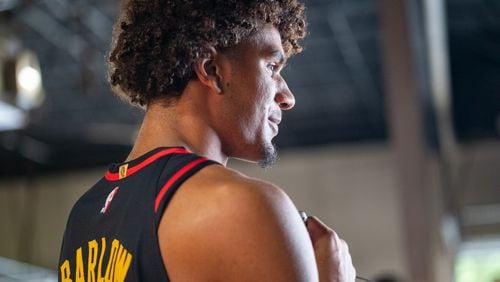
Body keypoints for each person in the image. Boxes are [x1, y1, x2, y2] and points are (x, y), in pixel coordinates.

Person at [58, 0, 356, 281]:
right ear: (211, 70)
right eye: (271, 67)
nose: (287, 97)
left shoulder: (83, 215)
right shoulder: (245, 206)